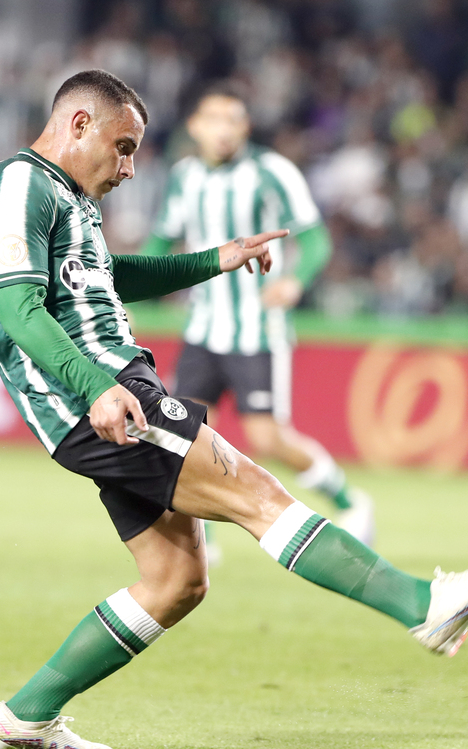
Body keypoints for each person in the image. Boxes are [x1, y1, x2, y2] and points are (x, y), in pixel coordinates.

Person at [0, 70, 468, 749]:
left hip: (106, 390)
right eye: (125, 146)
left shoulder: (67, 195)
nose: (131, 167)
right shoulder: (20, 182)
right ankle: (422, 606)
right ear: (79, 125)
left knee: (177, 581)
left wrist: (214, 260)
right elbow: (17, 310)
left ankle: (28, 712)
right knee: (259, 493)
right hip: (100, 394)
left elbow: (109, 275)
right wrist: (95, 387)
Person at [139, 83, 376, 547]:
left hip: (257, 329)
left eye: (234, 121)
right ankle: (197, 538)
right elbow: (159, 244)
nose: (225, 130)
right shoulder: (184, 176)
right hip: (203, 328)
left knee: (266, 438)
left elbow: (315, 239)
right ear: (195, 127)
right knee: (184, 437)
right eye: (215, 120)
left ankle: (350, 502)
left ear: (245, 127)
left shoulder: (273, 172)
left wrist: (294, 280)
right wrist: (116, 279)